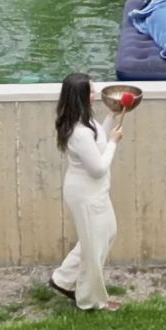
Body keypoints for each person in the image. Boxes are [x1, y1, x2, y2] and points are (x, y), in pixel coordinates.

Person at [49, 72, 126, 312]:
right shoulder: (79, 132)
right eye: (91, 91)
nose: (95, 94)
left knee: (104, 234)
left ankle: (62, 279)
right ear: (82, 97)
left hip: (93, 192)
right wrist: (114, 142)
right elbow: (98, 168)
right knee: (94, 247)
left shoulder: (85, 121)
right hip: (86, 194)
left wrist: (110, 119)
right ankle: (92, 300)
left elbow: (97, 140)